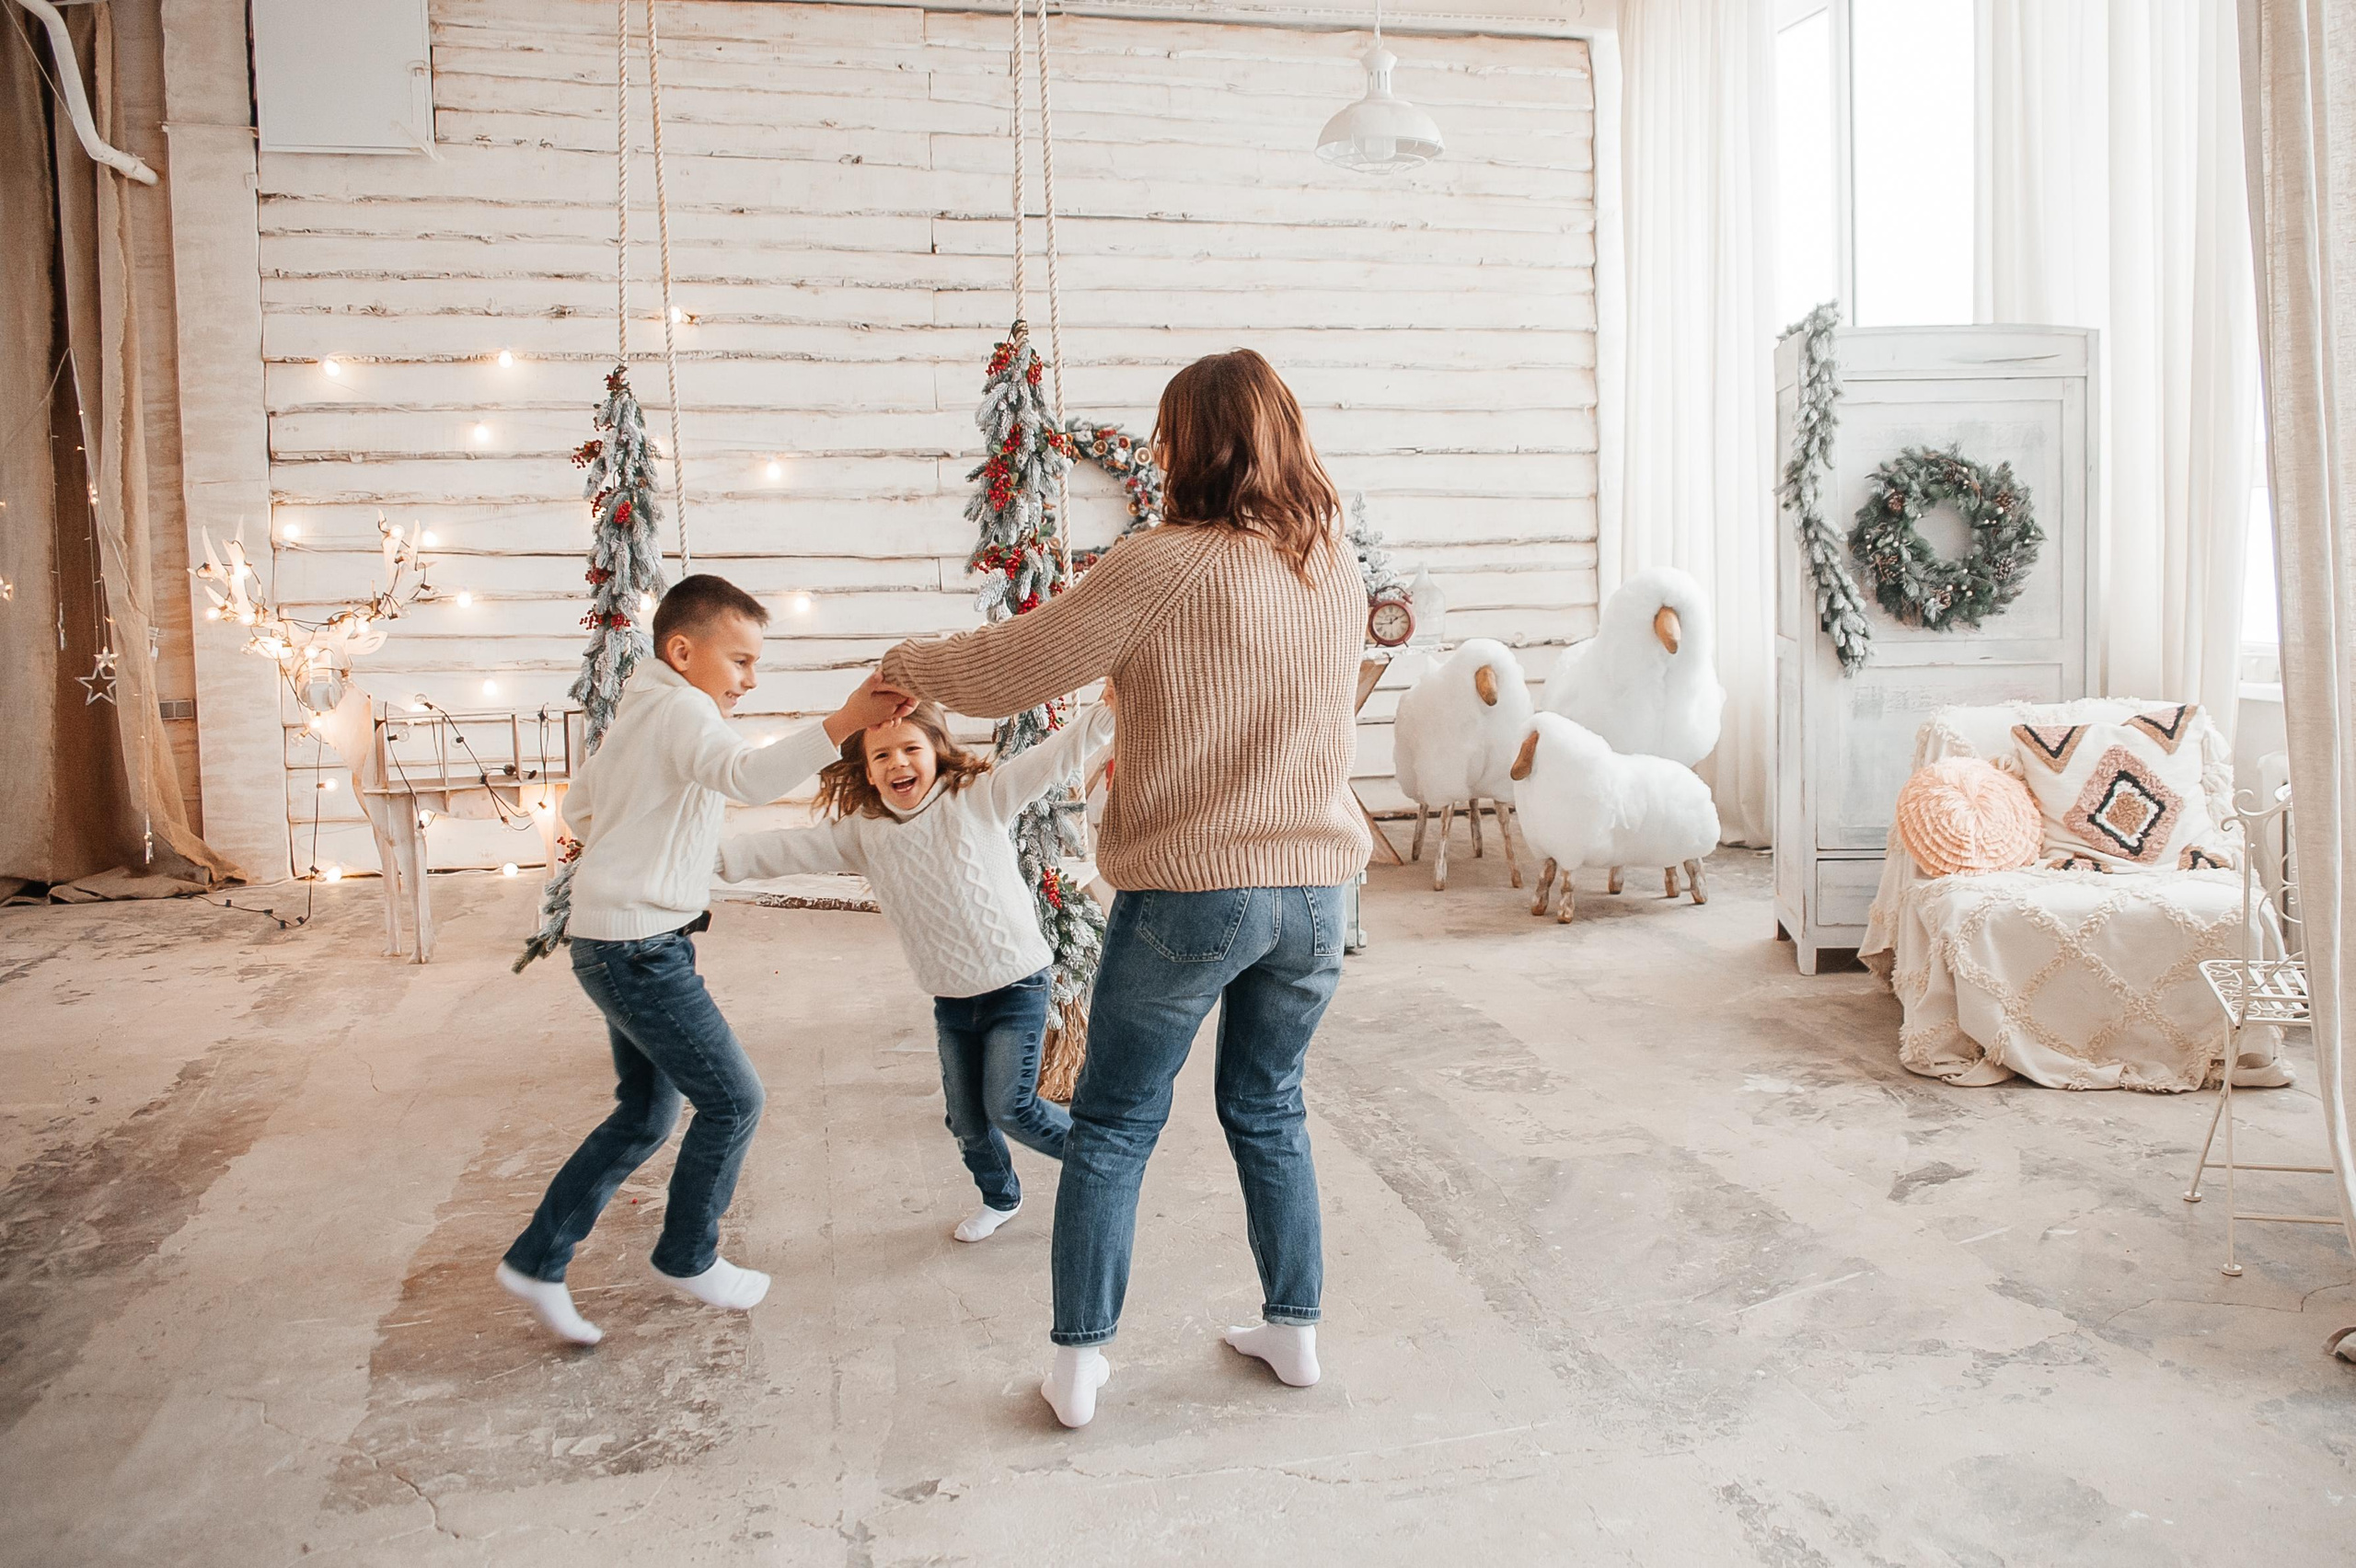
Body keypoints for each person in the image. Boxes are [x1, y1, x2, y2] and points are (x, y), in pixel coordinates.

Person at [878, 350, 1371, 1426]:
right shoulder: (1333, 564)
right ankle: (1294, 1331)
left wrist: (903, 662)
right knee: (1268, 1105)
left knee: (1111, 1125)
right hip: (1320, 893)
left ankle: (1078, 1367)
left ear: (1190, 443)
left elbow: (1017, 665)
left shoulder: (1166, 561)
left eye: (1165, 433)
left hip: (1199, 886)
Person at [497, 573, 913, 1345]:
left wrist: (644, 840)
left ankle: (536, 1260)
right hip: (641, 948)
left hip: (615, 939)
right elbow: (748, 777)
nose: (751, 681)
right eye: (742, 662)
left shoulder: (642, 711)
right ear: (683, 652)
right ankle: (688, 1254)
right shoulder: (686, 710)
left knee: (646, 1114)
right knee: (735, 1100)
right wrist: (849, 720)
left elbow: (578, 809)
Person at [714, 696, 1114, 1242]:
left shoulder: (980, 798)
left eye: (910, 748)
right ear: (867, 771)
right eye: (882, 756)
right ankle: (1002, 1196)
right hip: (952, 999)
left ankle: (1108, 1169)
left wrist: (1104, 715)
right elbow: (785, 850)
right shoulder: (865, 832)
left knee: (1011, 1107)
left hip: (1017, 985)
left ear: (937, 750)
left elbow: (1053, 757)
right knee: (966, 1122)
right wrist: (701, 858)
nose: (898, 763)